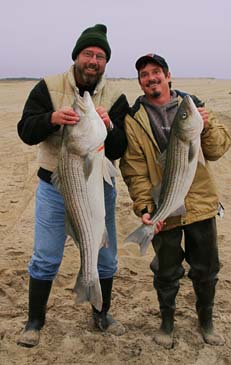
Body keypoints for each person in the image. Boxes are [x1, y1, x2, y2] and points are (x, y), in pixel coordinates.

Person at [17, 24, 129, 348]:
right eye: (88, 54)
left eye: (100, 56)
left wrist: (109, 125)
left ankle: (101, 313)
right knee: (45, 257)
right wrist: (51, 119)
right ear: (77, 56)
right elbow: (25, 130)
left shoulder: (117, 96)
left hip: (98, 188)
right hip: (54, 187)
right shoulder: (48, 86)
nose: (93, 60)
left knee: (105, 258)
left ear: (105, 62)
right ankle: (34, 320)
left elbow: (120, 148)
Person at [120, 53, 231, 349]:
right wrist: (146, 208)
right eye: (145, 74)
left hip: (200, 205)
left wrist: (205, 126)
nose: (152, 78)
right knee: (166, 271)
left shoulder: (194, 108)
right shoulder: (134, 119)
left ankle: (205, 321)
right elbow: (134, 167)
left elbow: (219, 149)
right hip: (165, 206)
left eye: (157, 72)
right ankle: (167, 322)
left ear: (168, 76)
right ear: (140, 82)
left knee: (206, 268)